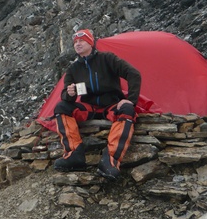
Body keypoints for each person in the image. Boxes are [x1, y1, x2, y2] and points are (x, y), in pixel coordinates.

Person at [53, 28, 141, 180]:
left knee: (127, 109)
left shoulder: (107, 58)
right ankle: (74, 154)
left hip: (112, 105)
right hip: (89, 108)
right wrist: (69, 93)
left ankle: (110, 161)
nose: (77, 44)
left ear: (90, 43)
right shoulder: (73, 69)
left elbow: (133, 74)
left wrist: (131, 100)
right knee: (61, 107)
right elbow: (65, 97)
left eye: (81, 41)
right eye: (75, 42)